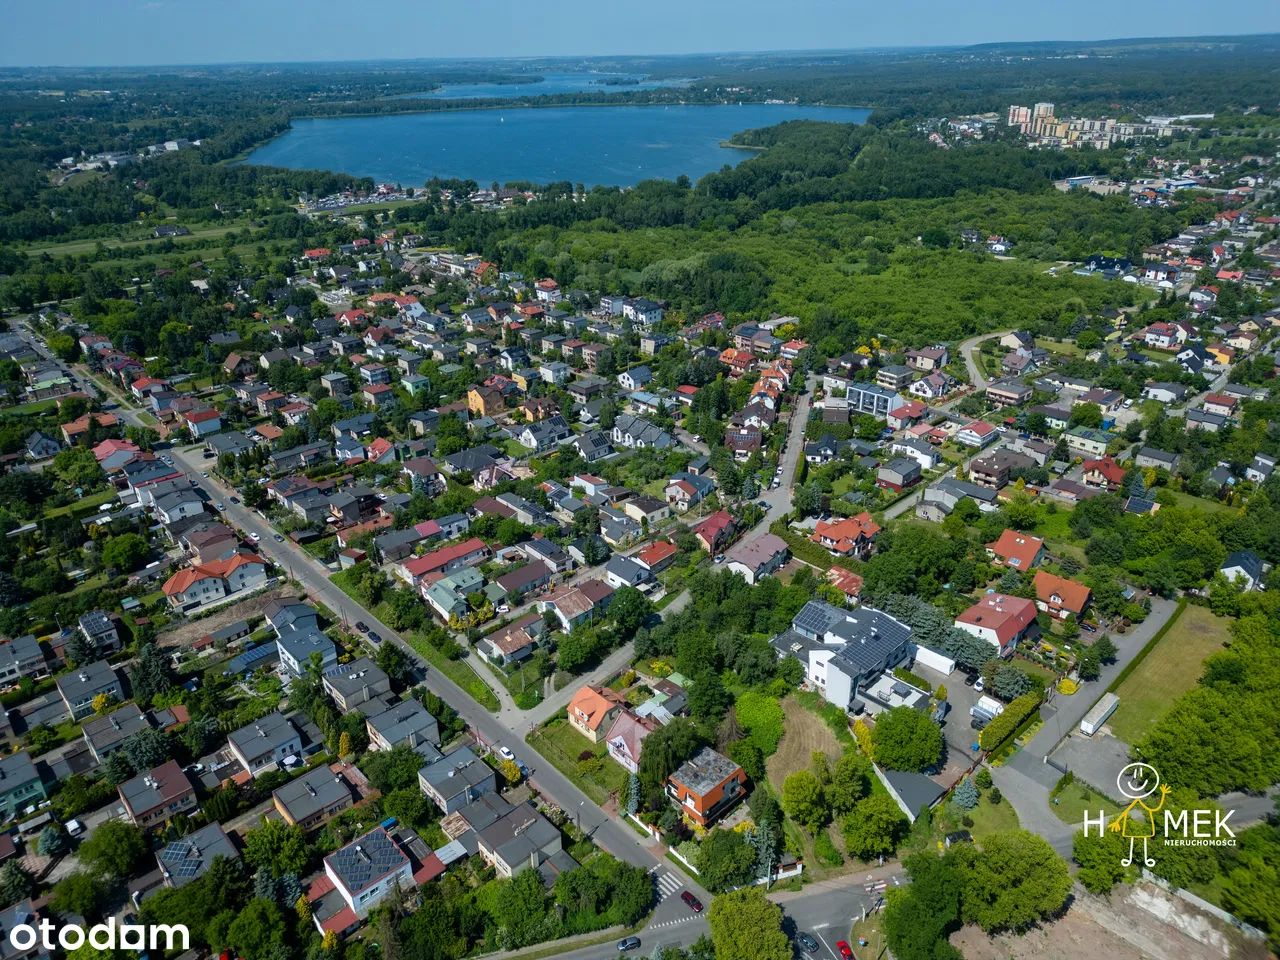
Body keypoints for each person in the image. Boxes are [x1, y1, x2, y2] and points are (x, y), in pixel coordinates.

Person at [1110, 762, 1170, 867]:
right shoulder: (1138, 803)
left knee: (1142, 841)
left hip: (1144, 830)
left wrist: (1163, 794)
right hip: (1138, 831)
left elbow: (1156, 808)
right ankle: (1129, 859)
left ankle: (1142, 859)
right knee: (1133, 840)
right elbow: (1125, 812)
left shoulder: (1141, 804)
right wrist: (1117, 822)